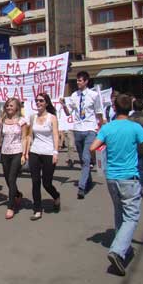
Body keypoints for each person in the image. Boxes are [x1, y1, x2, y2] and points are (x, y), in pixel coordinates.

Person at [89, 94, 143, 276]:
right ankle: (117, 251)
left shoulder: (108, 127)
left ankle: (122, 249)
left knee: (120, 213)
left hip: (112, 178)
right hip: (130, 178)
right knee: (132, 217)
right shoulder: (135, 128)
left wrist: (102, 154)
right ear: (130, 109)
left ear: (115, 108)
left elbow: (92, 147)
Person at [60, 71, 103, 199]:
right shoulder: (74, 95)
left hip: (90, 129)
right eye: (77, 80)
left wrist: (100, 128)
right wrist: (63, 105)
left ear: (86, 81)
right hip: (77, 129)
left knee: (85, 158)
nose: (78, 82)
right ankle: (88, 180)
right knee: (83, 159)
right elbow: (68, 113)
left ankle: (82, 187)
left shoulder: (94, 95)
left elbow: (99, 113)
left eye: (80, 80)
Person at [26, 93, 61, 221]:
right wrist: (26, 151)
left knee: (47, 183)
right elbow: (30, 135)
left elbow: (56, 135)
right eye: (37, 101)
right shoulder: (33, 117)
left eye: (41, 101)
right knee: (35, 182)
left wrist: (56, 152)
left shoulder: (52, 118)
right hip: (35, 152)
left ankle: (56, 196)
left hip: (48, 153)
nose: (38, 103)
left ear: (46, 103)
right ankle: (37, 209)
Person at [0, 98, 28, 219]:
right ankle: (17, 194)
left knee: (12, 179)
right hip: (5, 153)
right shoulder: (2, 120)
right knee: (8, 179)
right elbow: (0, 137)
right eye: (7, 106)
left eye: (11, 106)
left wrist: (24, 154)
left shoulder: (22, 121)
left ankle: (11, 207)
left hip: (17, 152)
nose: (9, 108)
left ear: (17, 107)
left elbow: (24, 137)